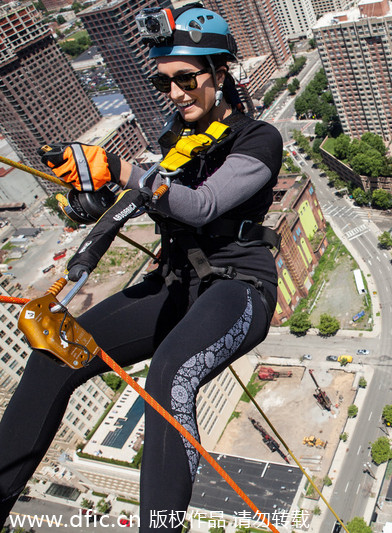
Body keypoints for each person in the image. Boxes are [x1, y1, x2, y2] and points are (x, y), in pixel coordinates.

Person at [0, 5, 282, 531]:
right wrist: (94, 200)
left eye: (186, 79)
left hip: (238, 288)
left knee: (171, 372)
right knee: (56, 350)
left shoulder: (258, 139)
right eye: (164, 83)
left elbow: (200, 205)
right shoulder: (176, 136)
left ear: (221, 73)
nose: (175, 93)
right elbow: (151, 194)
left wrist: (121, 169)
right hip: (175, 283)